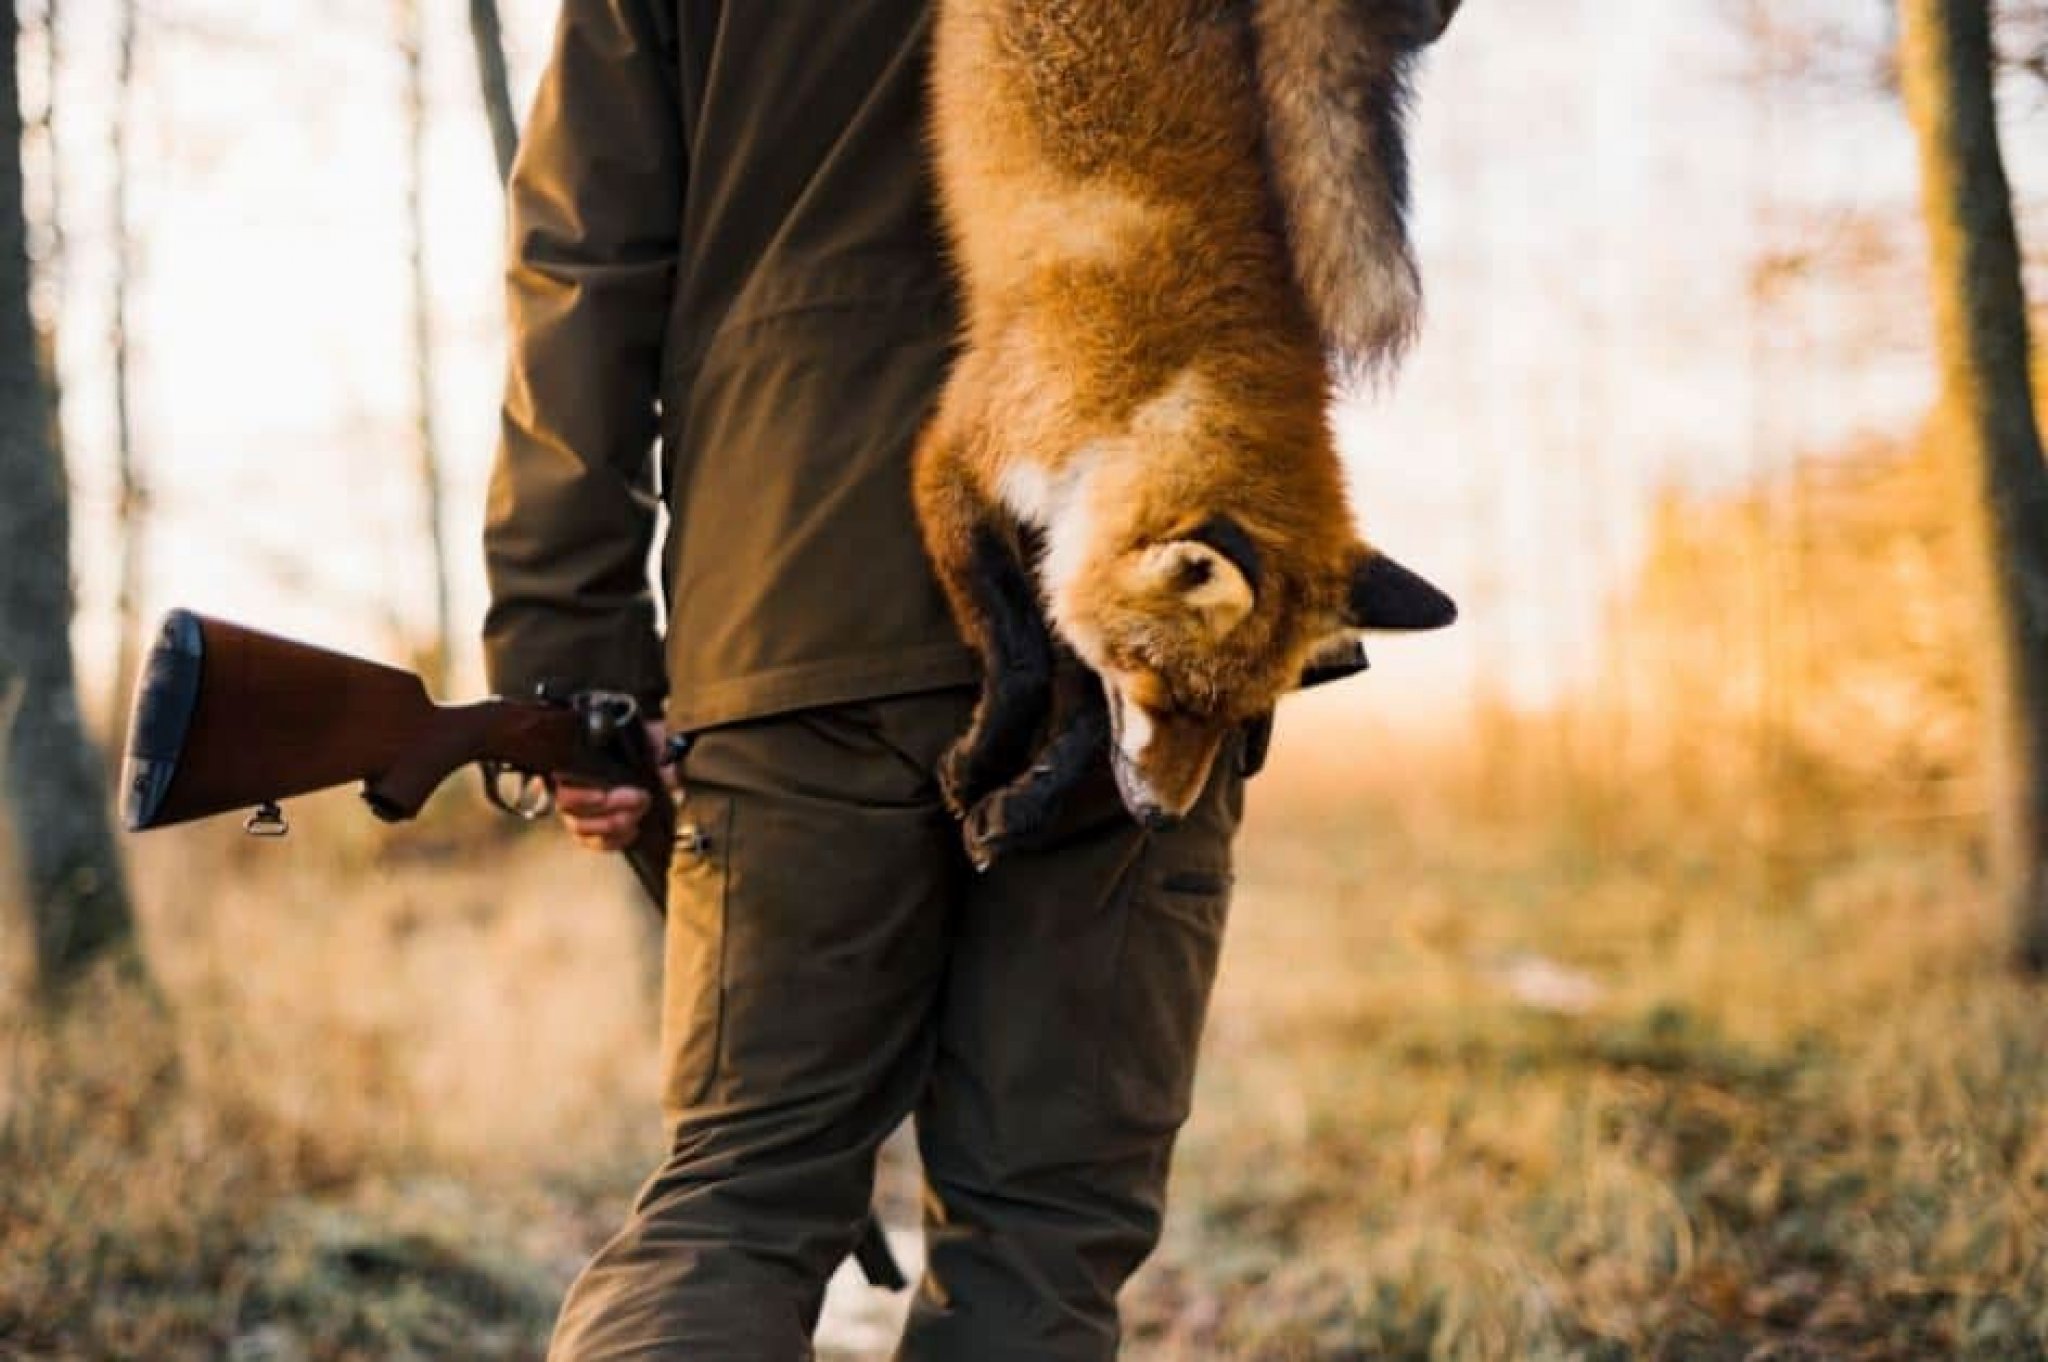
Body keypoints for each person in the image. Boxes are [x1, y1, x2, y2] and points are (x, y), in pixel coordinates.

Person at [482, 4, 1267, 1358]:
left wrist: (574, 666)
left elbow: (584, 266)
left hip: (800, 573)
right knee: (1040, 1234)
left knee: (738, 1197)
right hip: (1147, 589)